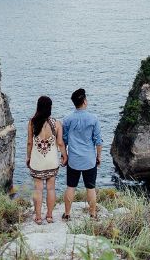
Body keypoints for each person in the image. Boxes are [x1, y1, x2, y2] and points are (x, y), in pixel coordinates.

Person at [62, 87, 103, 221]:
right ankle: (92, 214)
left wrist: (65, 156)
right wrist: (99, 157)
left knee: (70, 187)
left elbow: (64, 140)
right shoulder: (93, 118)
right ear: (84, 101)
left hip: (73, 160)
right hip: (89, 160)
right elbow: (98, 141)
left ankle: (67, 214)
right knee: (90, 188)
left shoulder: (67, 119)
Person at [26, 95, 67, 225]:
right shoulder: (57, 123)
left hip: (37, 162)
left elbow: (29, 143)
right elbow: (60, 143)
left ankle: (38, 217)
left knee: (38, 189)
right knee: (51, 189)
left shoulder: (32, 122)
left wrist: (28, 157)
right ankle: (49, 216)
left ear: (38, 107)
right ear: (50, 108)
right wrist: (65, 155)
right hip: (52, 162)